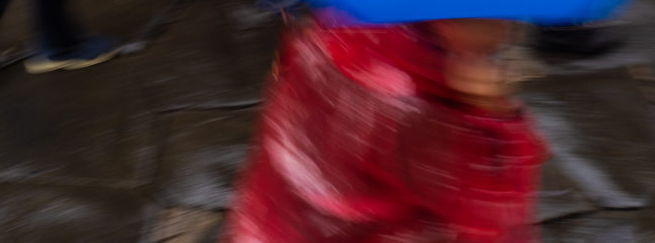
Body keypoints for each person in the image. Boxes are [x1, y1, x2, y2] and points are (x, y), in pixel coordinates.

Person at [222, 15, 545, 242]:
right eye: (497, 14)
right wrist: (494, 117)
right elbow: (495, 223)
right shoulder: (429, 109)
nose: (510, 28)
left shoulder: (334, 30)